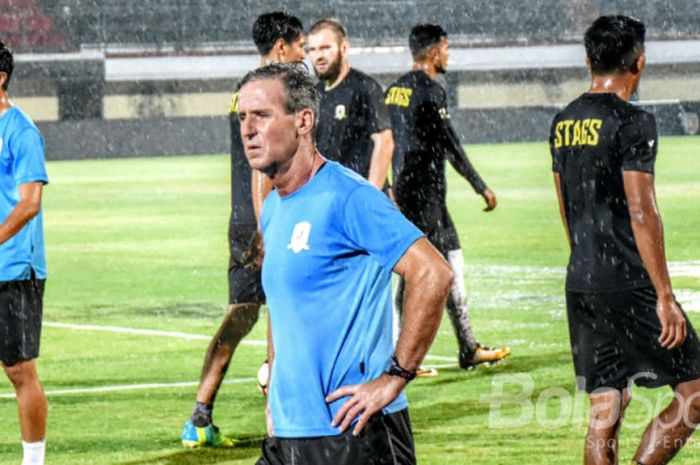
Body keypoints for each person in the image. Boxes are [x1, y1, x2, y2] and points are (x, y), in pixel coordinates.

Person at [237, 63, 453, 465]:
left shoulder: (349, 198)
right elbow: (282, 306)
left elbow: (433, 272)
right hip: (291, 430)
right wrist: (276, 386)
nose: (248, 129)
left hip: (353, 433)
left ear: (303, 120)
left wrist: (395, 379)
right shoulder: (273, 208)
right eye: (242, 117)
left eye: (262, 116)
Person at [550, 15, 700, 465]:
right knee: (694, 391)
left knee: (606, 406)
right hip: (628, 279)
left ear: (588, 59)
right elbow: (641, 210)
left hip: (583, 278)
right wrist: (664, 296)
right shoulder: (633, 121)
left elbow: (565, 206)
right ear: (640, 62)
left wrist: (586, 261)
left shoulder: (563, 121)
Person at [180, 12, 306, 448]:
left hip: (243, 220)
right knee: (282, 314)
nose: (304, 53)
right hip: (269, 216)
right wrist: (267, 227)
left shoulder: (243, 91)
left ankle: (199, 417)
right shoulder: (271, 92)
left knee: (243, 312)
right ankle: (281, 423)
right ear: (281, 48)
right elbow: (263, 166)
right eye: (300, 45)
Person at [385, 24, 511, 371]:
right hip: (423, 198)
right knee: (425, 274)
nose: (448, 54)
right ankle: (402, 355)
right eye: (446, 47)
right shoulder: (430, 91)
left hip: (414, 195)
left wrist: (390, 186)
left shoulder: (394, 91)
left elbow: (386, 142)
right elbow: (450, 144)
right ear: (433, 52)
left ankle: (467, 346)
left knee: (443, 265)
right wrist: (479, 185)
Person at [0, 39, 49, 465]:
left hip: (14, 267)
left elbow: (30, 202)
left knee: (18, 370)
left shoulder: (20, 130)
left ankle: (33, 462)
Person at [307, 18, 394, 189]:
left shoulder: (365, 87)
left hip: (357, 196)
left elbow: (384, 142)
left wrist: (370, 195)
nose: (319, 56)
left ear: (344, 48)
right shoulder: (314, 94)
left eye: (325, 48)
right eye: (313, 50)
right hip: (330, 197)